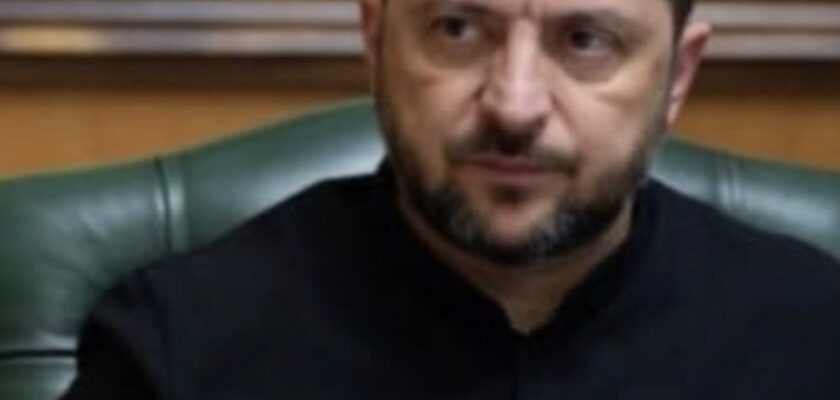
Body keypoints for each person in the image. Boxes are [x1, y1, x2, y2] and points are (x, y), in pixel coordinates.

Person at [61, 0, 840, 399]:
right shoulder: (177, 346)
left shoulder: (813, 336)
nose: (515, 103)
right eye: (458, 28)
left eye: (586, 41)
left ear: (676, 76)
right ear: (375, 40)